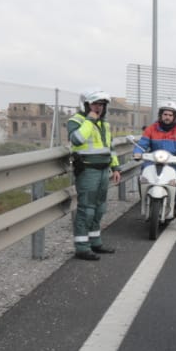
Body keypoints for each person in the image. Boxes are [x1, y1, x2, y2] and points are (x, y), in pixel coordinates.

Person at [67, 90, 122, 261]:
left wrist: (116, 167)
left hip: (103, 169)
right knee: (86, 209)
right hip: (87, 170)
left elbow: (109, 147)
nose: (99, 107)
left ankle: (95, 242)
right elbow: (77, 139)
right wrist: (90, 120)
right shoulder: (76, 120)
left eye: (101, 104)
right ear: (86, 105)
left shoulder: (104, 124)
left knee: (99, 208)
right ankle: (82, 247)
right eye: (95, 104)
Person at [134, 102, 176, 232]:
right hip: (153, 162)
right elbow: (142, 143)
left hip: (174, 163)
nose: (167, 117)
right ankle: (146, 204)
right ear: (160, 115)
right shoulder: (151, 129)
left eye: (170, 115)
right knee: (143, 179)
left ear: (175, 117)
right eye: (165, 114)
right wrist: (137, 152)